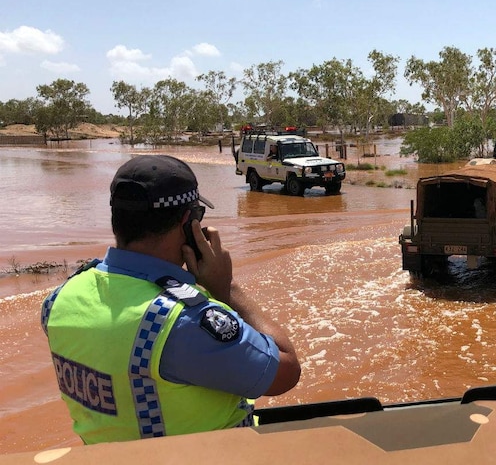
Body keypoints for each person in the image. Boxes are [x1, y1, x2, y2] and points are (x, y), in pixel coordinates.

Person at [41, 155, 301, 444]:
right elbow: (286, 371)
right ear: (188, 223)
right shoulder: (180, 322)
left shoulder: (58, 299)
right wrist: (226, 289)